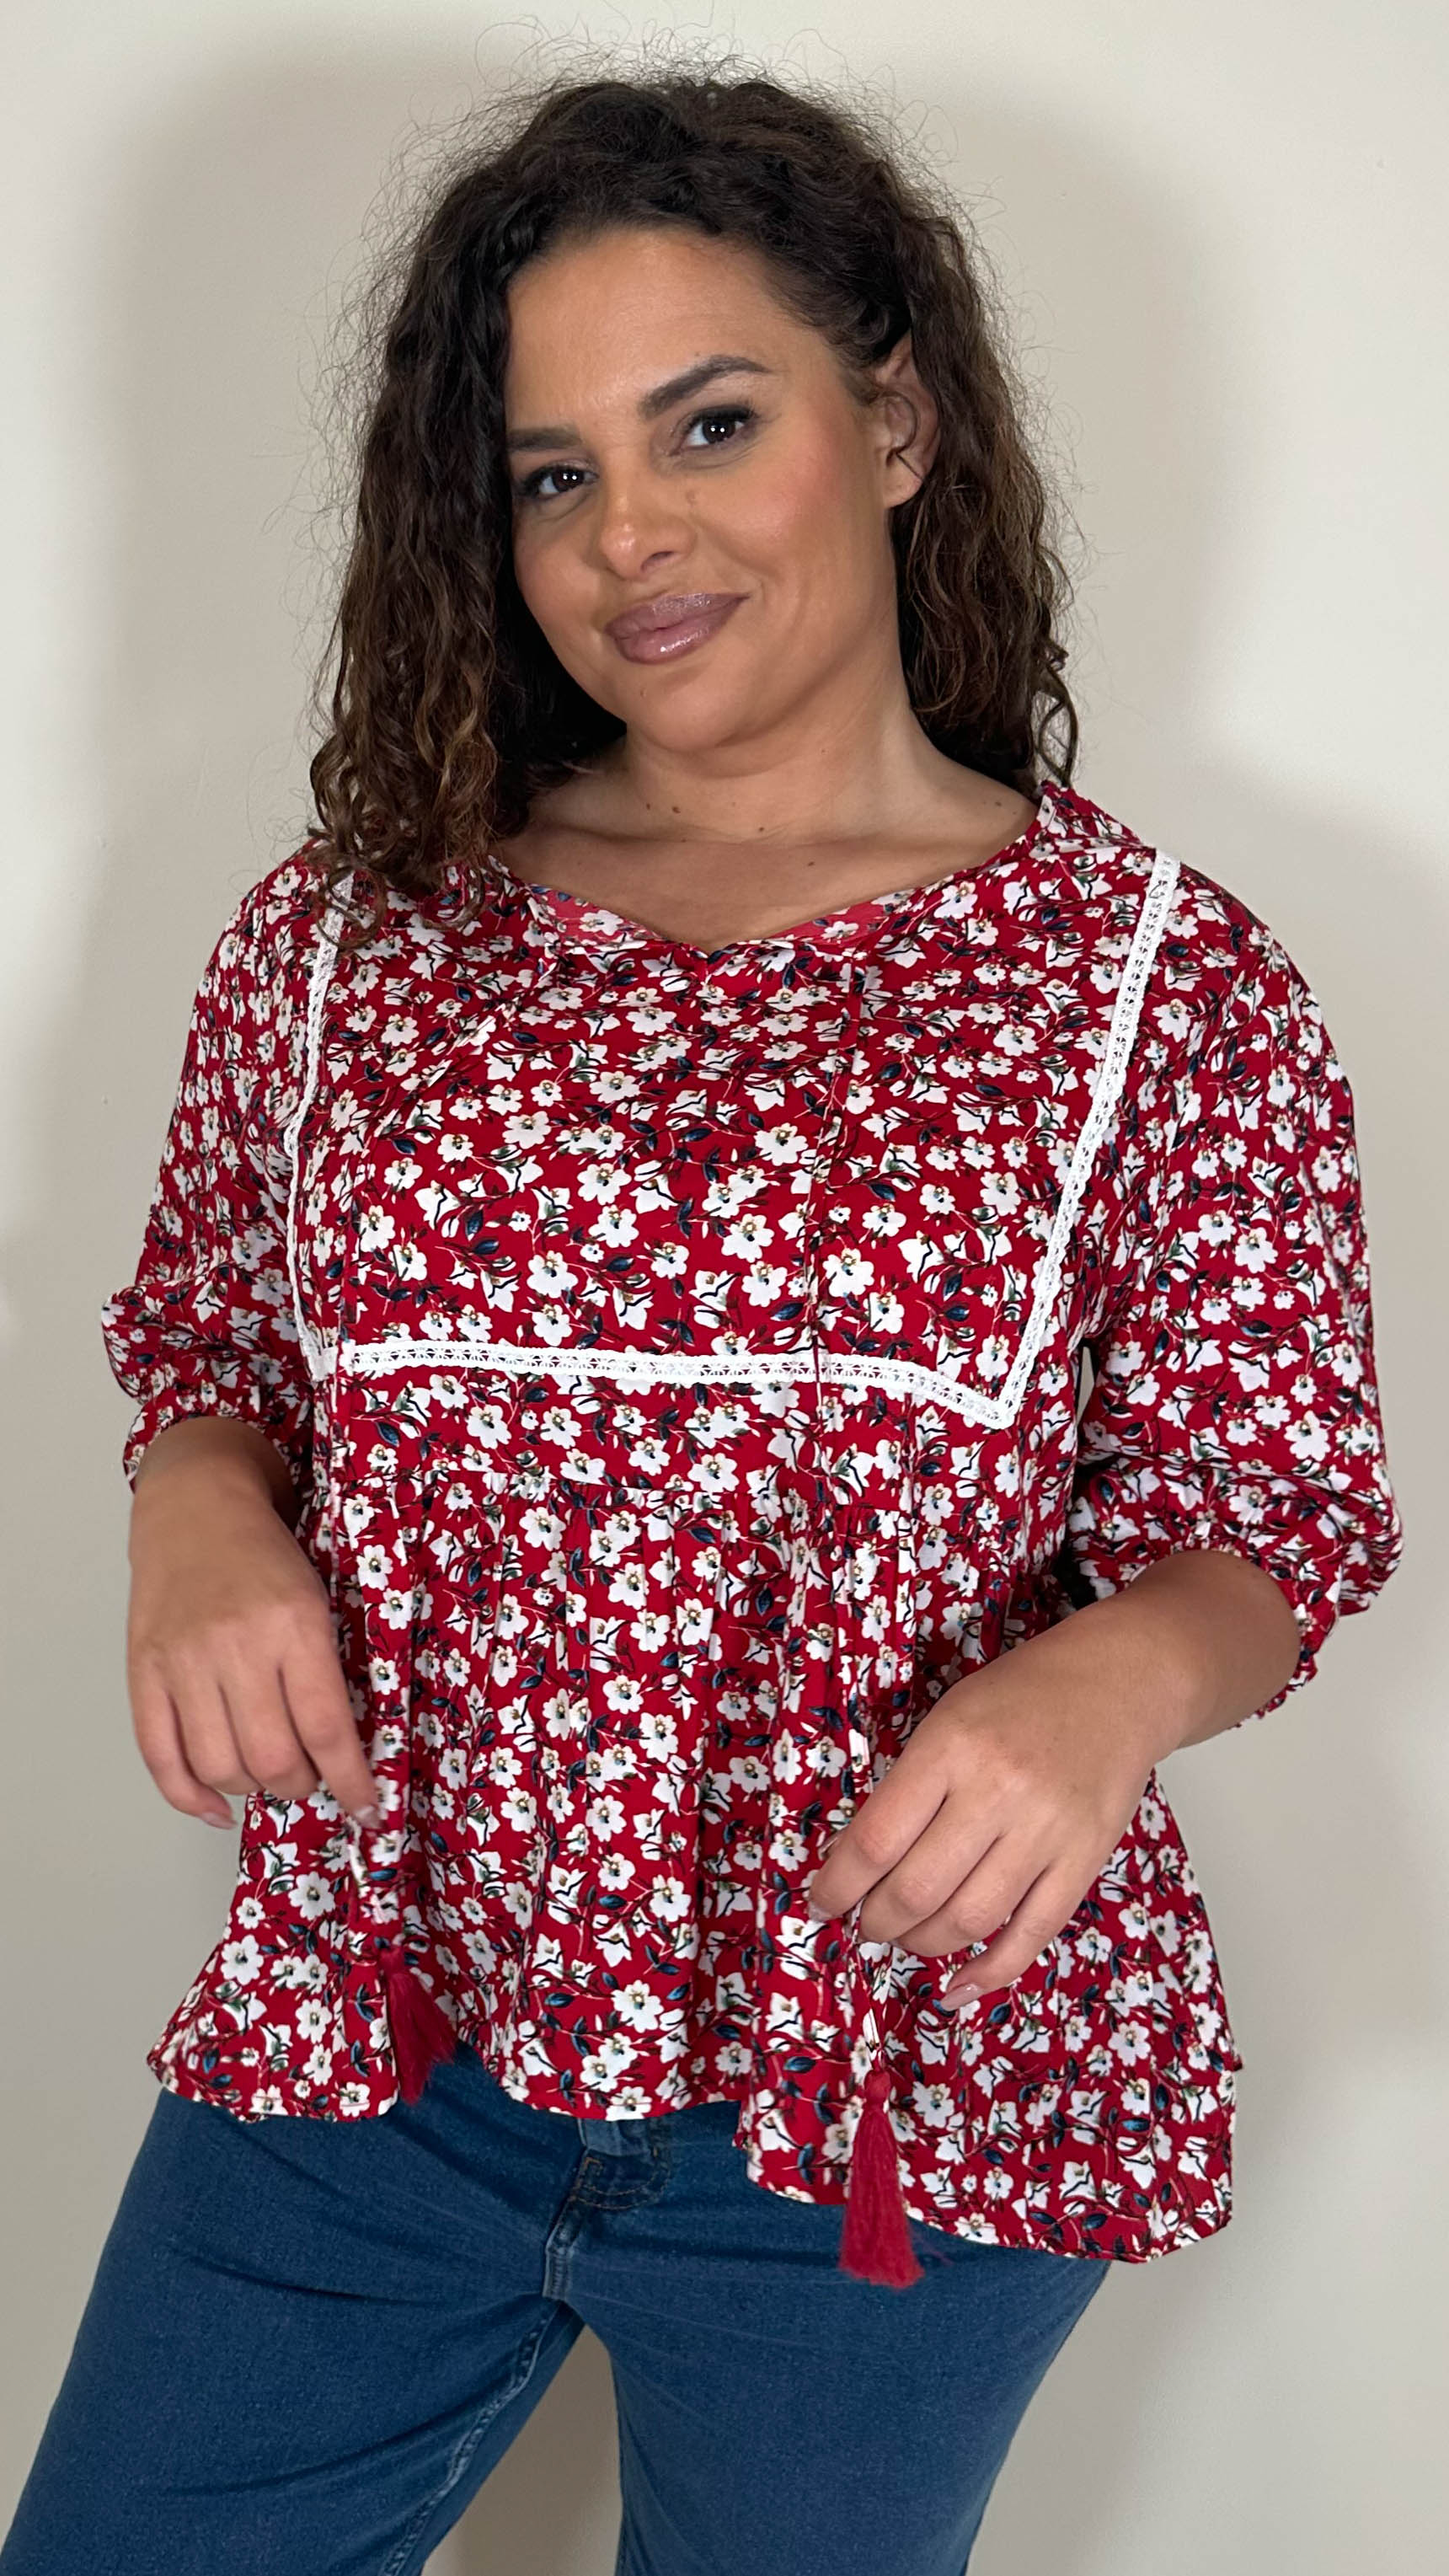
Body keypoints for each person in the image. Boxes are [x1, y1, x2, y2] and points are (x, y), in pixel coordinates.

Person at [3, 60, 1402, 2576]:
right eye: (551, 473)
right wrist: (193, 1508)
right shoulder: (346, 941)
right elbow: (208, 1333)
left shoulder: (1160, 990)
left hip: (899, 2091)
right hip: (378, 2025)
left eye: (710, 423)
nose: (626, 532)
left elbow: (1273, 1520)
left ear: (898, 423)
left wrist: (1108, 1682)